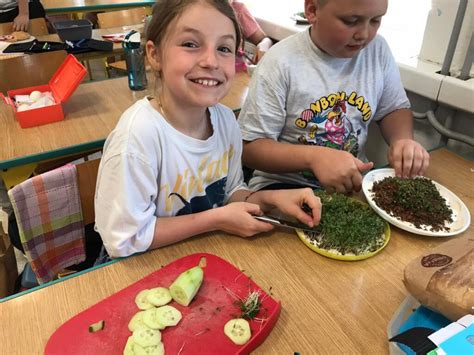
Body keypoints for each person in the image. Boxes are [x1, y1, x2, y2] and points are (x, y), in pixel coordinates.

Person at [94, 0, 322, 258]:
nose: (211, 61)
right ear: (155, 55)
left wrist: (270, 200)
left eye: (224, 48)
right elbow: (124, 239)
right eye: (191, 44)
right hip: (136, 268)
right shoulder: (139, 137)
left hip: (200, 255)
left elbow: (231, 192)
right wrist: (215, 219)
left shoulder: (225, 121)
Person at [238, 0, 430, 193]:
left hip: (352, 185)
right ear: (312, 10)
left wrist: (402, 139)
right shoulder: (280, 62)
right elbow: (250, 148)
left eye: (375, 20)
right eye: (351, 21)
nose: (364, 34)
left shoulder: (377, 51)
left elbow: (393, 108)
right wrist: (314, 158)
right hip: (284, 187)